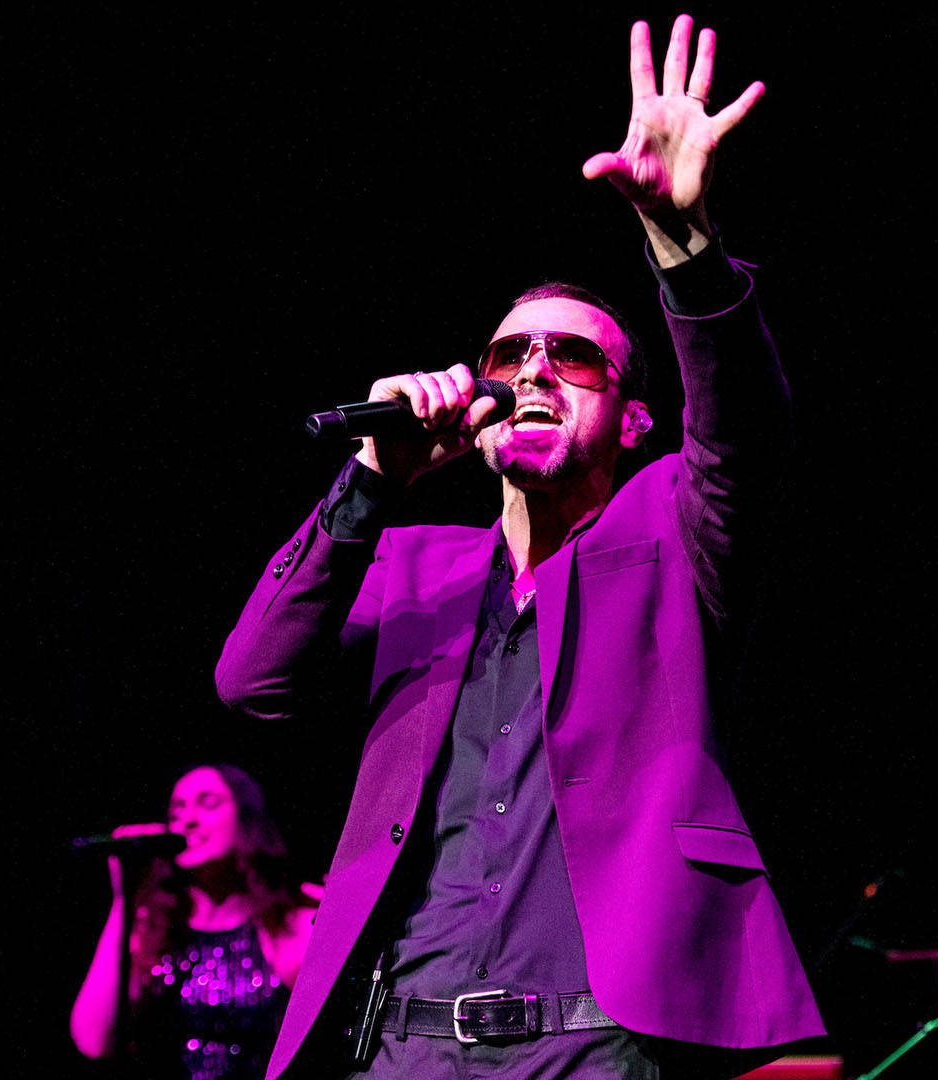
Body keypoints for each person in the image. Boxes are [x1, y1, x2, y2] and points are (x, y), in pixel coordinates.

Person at [213, 13, 824, 1079]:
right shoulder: (412, 565)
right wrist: (371, 482)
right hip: (398, 1046)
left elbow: (747, 440)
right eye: (511, 352)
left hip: (599, 1044)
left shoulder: (671, 533)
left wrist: (684, 245)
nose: (536, 369)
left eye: (576, 359)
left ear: (634, 421)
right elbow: (253, 681)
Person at [70, 763, 319, 1079]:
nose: (187, 821)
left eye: (208, 803)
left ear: (247, 817)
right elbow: (94, 1041)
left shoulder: (287, 924)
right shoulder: (153, 930)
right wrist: (125, 901)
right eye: (177, 811)